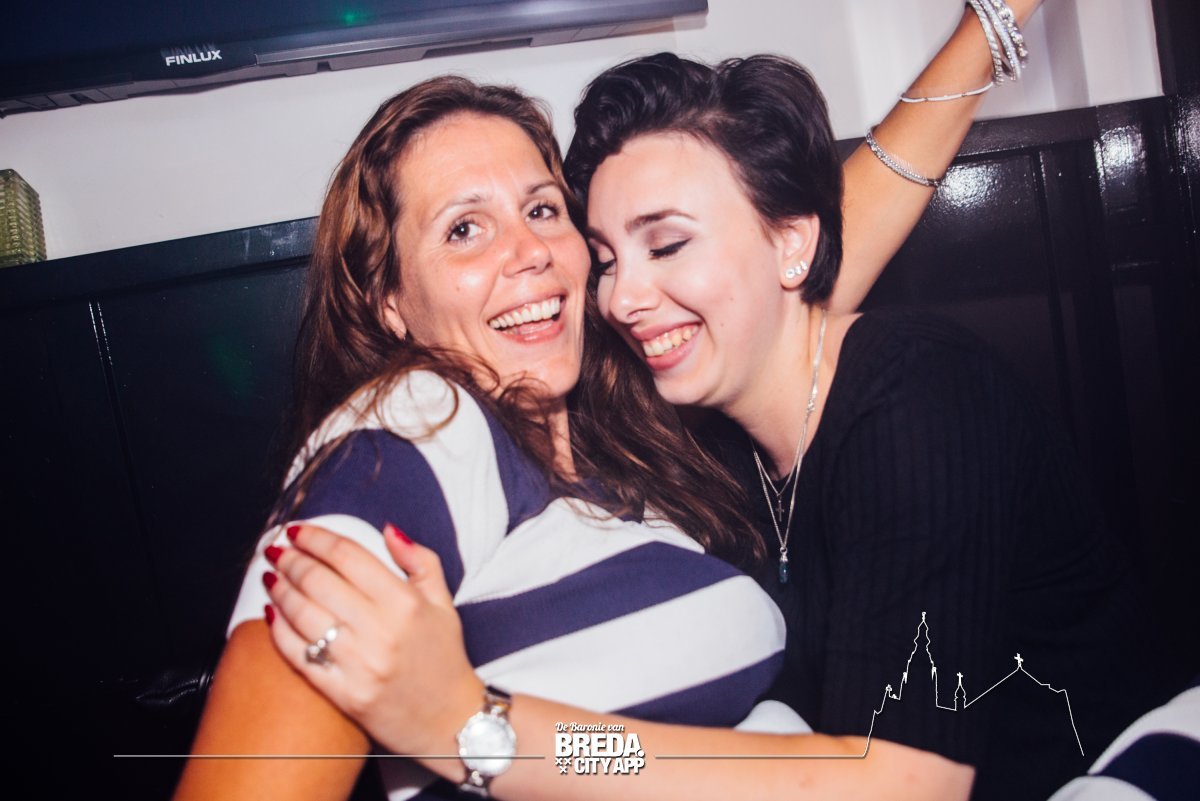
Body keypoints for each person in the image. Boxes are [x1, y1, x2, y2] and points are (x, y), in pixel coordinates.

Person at [176, 3, 1095, 800]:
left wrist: (991, 22)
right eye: (463, 229)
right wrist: (478, 730)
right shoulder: (419, 425)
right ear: (389, 303)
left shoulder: (635, 435)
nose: (530, 251)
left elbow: (771, 275)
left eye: (544, 209)